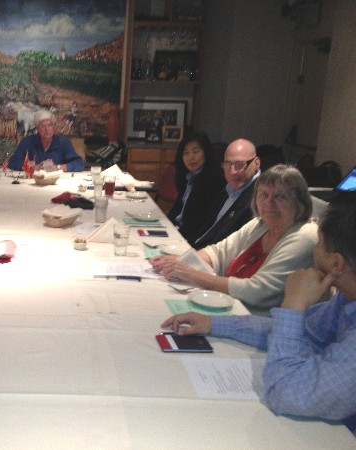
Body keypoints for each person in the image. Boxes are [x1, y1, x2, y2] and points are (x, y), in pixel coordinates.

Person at [161, 192, 356, 435]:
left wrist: (293, 307)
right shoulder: (344, 302)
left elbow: (284, 392)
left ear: (336, 264)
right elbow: (303, 334)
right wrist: (214, 323)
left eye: (318, 243)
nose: (314, 249)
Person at [151, 165, 317, 314]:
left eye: (280, 196)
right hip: (229, 307)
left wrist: (191, 274)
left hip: (260, 322)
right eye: (263, 195)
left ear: (300, 202)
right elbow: (219, 252)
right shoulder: (260, 224)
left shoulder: (304, 236)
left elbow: (257, 291)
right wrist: (181, 262)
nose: (269, 203)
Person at [193, 138, 261, 249]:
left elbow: (234, 248)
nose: (233, 171)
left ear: (256, 163)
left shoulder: (261, 197)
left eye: (240, 165)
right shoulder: (227, 190)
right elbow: (207, 228)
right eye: (227, 164)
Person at [167, 132, 226, 245]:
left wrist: (178, 236)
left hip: (191, 239)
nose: (191, 157)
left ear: (206, 152)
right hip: (176, 232)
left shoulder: (215, 180)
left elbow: (204, 222)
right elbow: (176, 210)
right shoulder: (189, 177)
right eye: (186, 153)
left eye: (196, 151)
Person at [8, 109, 84, 172]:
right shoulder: (27, 142)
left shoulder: (63, 143)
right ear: (37, 128)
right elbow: (13, 162)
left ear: (54, 127)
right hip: (32, 183)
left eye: (50, 125)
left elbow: (79, 163)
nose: (47, 129)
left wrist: (58, 167)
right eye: (43, 126)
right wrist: (32, 167)